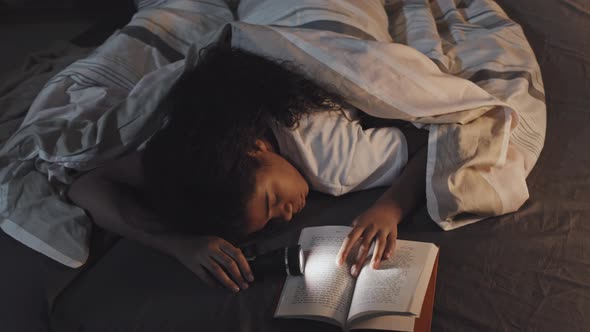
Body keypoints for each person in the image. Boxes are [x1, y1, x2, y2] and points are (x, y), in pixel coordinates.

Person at [67, 43, 429, 293]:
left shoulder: (333, 163)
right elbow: (86, 185)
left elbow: (433, 139)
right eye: (273, 221)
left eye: (273, 201)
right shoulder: (195, 152)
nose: (287, 216)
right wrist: (179, 245)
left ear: (255, 147)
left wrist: (389, 207)